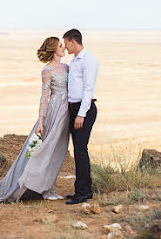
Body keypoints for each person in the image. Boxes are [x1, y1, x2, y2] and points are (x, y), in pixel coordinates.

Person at [0, 37, 70, 202]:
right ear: (53, 49)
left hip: (66, 113)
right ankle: (31, 185)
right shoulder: (47, 71)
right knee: (43, 149)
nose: (64, 47)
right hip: (53, 112)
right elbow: (44, 97)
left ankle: (48, 186)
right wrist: (41, 121)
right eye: (60, 45)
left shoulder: (66, 67)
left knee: (58, 150)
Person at [63, 29, 98, 205]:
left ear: (73, 41)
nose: (65, 47)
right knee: (79, 150)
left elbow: (88, 89)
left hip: (83, 109)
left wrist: (81, 114)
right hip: (73, 108)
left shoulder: (88, 60)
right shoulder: (74, 60)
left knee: (80, 151)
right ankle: (85, 189)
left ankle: (82, 193)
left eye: (66, 43)